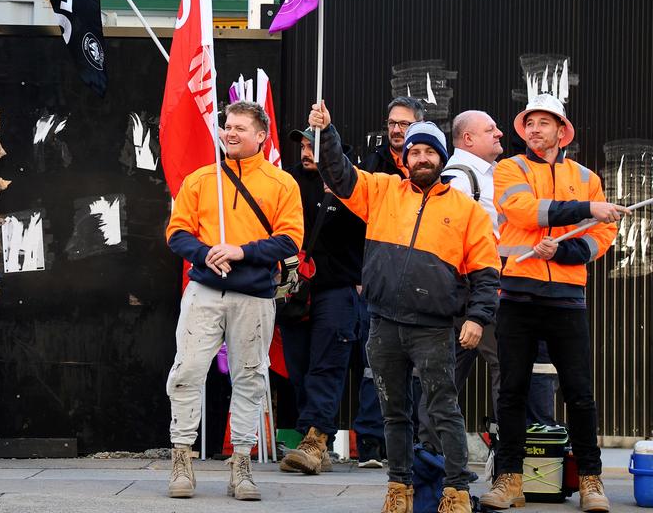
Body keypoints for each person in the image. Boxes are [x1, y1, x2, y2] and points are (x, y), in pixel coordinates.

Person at [309, 101, 499, 513]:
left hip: (434, 329)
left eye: (430, 152)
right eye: (415, 152)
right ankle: (399, 489)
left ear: (441, 158)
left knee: (443, 409)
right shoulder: (381, 190)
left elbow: (486, 272)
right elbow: (339, 174)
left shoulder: (467, 211)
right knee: (394, 414)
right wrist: (327, 132)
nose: (422, 158)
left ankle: (456, 492)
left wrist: (478, 318)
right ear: (406, 158)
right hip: (383, 324)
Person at [482, 94, 624, 513]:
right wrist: (587, 209)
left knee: (580, 394)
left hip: (566, 298)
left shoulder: (586, 177)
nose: (536, 129)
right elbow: (525, 210)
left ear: (562, 131)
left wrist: (562, 253)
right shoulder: (510, 168)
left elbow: (601, 237)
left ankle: (591, 482)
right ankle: (509, 481)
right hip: (518, 294)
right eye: (531, 123)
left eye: (545, 123)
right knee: (511, 391)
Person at [164, 101, 303, 502]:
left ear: (262, 136)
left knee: (250, 378)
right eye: (227, 126)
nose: (230, 133)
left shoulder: (282, 184)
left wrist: (241, 251)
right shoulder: (200, 179)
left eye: (241, 128)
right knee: (187, 370)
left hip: (255, 296)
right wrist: (204, 251)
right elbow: (176, 233)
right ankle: (181, 456)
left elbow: (290, 238)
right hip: (204, 290)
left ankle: (241, 463)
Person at [277, 127, 363, 475]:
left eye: (314, 145)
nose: (306, 151)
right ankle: (315, 437)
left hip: (337, 286)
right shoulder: (283, 182)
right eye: (303, 145)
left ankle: (314, 440)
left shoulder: (352, 182)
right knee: (298, 369)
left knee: (327, 364)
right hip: (295, 288)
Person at [418, 110, 504, 451]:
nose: (499, 133)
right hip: (469, 289)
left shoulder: (489, 174)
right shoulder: (457, 178)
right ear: (468, 139)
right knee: (501, 367)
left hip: (475, 287)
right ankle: (503, 457)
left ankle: (430, 452)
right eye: (491, 129)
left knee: (446, 373)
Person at [354, 96, 425, 468]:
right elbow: (356, 224)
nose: (396, 129)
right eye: (392, 123)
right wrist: (360, 275)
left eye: (404, 123)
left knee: (414, 366)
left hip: (418, 281)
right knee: (374, 363)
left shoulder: (432, 165)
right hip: (378, 280)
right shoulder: (373, 164)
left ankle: (409, 442)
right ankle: (369, 443)